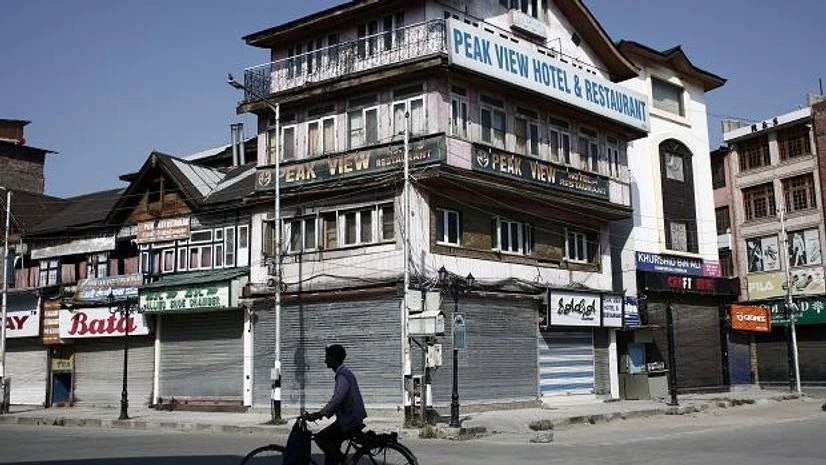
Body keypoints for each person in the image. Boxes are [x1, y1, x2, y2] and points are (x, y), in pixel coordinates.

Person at [305, 344, 367, 465]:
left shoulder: (342, 376)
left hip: (349, 419)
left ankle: (344, 462)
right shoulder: (345, 373)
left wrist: (319, 414)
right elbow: (339, 401)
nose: (325, 360)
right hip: (352, 417)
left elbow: (337, 399)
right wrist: (323, 414)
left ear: (334, 358)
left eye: (327, 356)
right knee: (331, 449)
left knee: (321, 438)